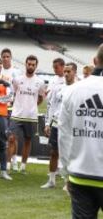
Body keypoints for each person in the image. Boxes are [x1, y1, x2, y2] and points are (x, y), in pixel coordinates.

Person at [58, 45, 103, 219]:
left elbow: (64, 135)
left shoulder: (72, 91)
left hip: (80, 176)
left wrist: (65, 172)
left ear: (94, 61)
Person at [7, 55, 46, 173]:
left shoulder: (40, 82)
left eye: (33, 64)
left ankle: (23, 166)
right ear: (25, 64)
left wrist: (32, 106)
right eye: (29, 64)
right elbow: (12, 95)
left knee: (28, 140)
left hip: (31, 116)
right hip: (16, 114)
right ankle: (8, 165)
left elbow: (40, 98)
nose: (31, 66)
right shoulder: (17, 79)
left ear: (36, 66)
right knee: (11, 139)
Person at [41, 62, 77, 189]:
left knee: (70, 154)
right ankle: (51, 180)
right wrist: (47, 123)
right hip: (57, 124)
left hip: (71, 126)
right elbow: (52, 106)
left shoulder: (78, 88)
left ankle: (69, 181)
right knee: (53, 152)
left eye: (69, 72)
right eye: (65, 71)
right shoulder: (59, 88)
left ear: (74, 73)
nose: (66, 74)